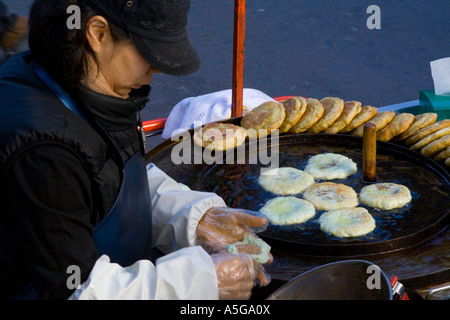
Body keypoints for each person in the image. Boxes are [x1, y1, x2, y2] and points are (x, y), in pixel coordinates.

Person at [0, 0, 272, 300]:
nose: (157, 69)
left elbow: (110, 180)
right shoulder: (43, 150)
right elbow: (74, 288)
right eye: (148, 51)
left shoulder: (76, 79)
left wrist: (192, 216)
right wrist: (199, 282)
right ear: (98, 33)